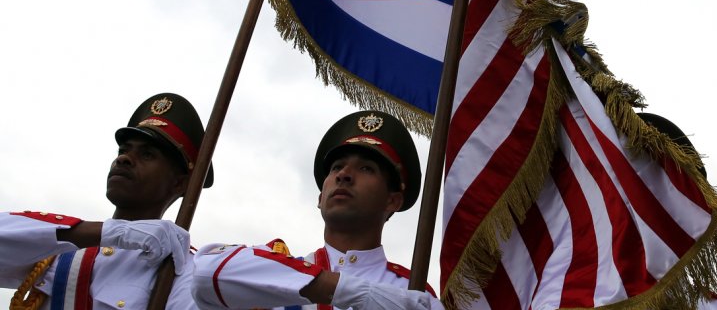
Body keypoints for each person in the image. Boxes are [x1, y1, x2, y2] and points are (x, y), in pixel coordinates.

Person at [192, 110, 443, 310]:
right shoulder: (279, 272)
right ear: (321, 197)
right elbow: (205, 272)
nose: (344, 175)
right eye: (336, 168)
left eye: (366, 168)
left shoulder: (414, 295)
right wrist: (356, 293)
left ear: (393, 201)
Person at [1, 92, 214, 310]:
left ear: (180, 184)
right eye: (123, 150)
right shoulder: (61, 248)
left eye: (147, 154)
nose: (123, 158)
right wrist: (115, 233)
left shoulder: (182, 271)